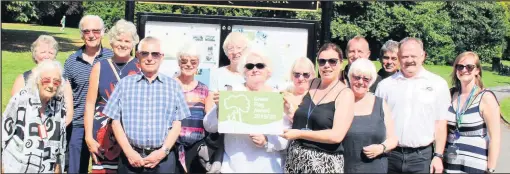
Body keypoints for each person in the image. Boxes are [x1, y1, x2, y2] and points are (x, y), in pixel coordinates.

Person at [103, 36, 189, 173]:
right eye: (145, 53)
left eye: (155, 54)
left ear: (161, 57)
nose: (150, 58)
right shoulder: (124, 84)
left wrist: (162, 152)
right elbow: (115, 122)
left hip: (163, 160)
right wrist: (129, 152)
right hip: (130, 159)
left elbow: (177, 123)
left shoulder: (173, 86)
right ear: (138, 56)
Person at [203, 49, 292, 173]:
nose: (255, 69)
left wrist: (267, 141)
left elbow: (284, 139)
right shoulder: (232, 93)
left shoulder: (277, 97)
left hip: (268, 168)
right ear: (244, 71)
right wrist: (219, 108)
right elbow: (209, 126)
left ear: (268, 71)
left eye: (260, 65)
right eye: (250, 66)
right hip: (233, 168)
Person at [375, 37, 450, 174]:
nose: (409, 60)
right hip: (390, 155)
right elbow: (377, 121)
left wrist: (438, 156)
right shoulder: (385, 86)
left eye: (413, 56)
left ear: (423, 56)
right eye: (404, 56)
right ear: (399, 57)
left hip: (421, 158)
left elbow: (440, 123)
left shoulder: (438, 84)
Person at [282, 42, 355, 173]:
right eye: (322, 61)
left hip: (323, 162)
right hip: (295, 159)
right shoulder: (312, 84)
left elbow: (336, 135)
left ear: (341, 63)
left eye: (332, 61)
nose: (326, 65)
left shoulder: (345, 94)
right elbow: (300, 113)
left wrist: (299, 133)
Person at [84, 19, 141, 173]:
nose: (122, 44)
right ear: (112, 41)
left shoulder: (140, 67)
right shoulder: (100, 66)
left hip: (132, 134)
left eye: (127, 41)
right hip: (103, 135)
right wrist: (89, 137)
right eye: (119, 39)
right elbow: (90, 104)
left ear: (133, 43)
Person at [64, 15, 114, 174]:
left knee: (104, 169)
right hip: (78, 124)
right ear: (81, 34)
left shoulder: (111, 58)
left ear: (103, 32)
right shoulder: (72, 61)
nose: (91, 35)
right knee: (76, 169)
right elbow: (66, 94)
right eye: (86, 31)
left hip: (105, 125)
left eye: (96, 31)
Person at [2, 60, 68, 173]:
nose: (51, 85)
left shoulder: (59, 103)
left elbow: (60, 141)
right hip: (17, 167)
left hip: (45, 169)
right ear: (37, 80)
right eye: (46, 80)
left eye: (56, 82)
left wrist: (58, 166)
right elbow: (3, 132)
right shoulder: (22, 99)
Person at [444, 51, 501, 173]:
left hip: (475, 166)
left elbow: (495, 138)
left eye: (469, 67)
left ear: (477, 71)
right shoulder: (450, 94)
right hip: (449, 164)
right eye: (460, 66)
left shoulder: (486, 98)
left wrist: (490, 169)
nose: (464, 70)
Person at [342, 58, 398, 173]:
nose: (361, 82)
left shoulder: (380, 104)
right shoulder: (340, 101)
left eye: (366, 79)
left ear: (371, 81)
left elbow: (393, 139)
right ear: (349, 77)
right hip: (346, 168)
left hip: (375, 168)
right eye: (356, 77)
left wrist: (381, 148)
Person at [11, 35, 74, 126]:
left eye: (51, 53)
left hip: (55, 131)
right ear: (35, 55)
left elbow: (69, 112)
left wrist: (55, 130)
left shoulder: (63, 80)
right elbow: (13, 110)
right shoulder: (22, 79)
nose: (47, 56)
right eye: (43, 52)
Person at [173, 42, 211, 173]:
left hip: (196, 149)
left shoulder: (205, 90)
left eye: (193, 62)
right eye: (184, 61)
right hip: (172, 147)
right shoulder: (169, 85)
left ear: (198, 64)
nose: (189, 64)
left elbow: (210, 121)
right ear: (179, 63)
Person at [282, 56, 316, 122]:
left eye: (306, 74)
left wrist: (291, 115)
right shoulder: (283, 96)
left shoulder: (317, 98)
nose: (300, 78)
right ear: (292, 76)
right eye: (297, 74)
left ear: (313, 75)